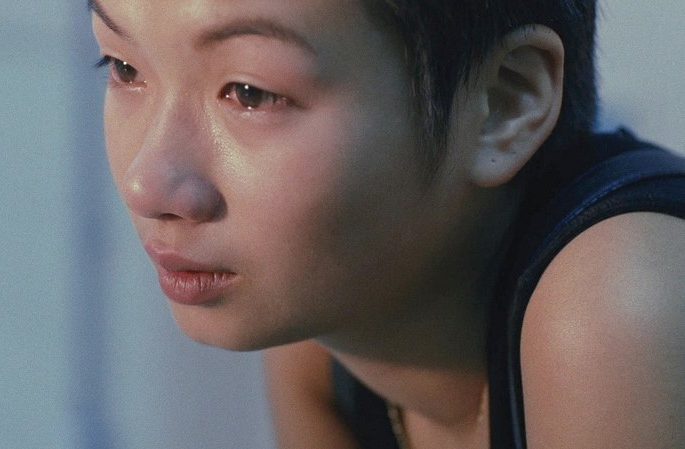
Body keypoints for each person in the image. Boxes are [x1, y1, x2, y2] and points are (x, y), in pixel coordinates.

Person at [89, 0, 685, 447]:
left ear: (503, 103)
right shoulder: (320, 327)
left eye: (250, 92)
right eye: (124, 67)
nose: (146, 185)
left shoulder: (621, 298)